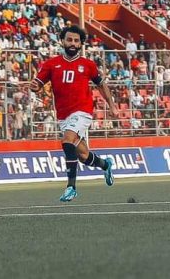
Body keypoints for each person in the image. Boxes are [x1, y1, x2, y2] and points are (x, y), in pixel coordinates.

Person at [30, 25, 119, 202]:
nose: (72, 43)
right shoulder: (51, 64)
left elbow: (101, 85)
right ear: (62, 41)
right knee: (83, 155)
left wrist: (112, 105)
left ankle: (71, 187)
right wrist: (35, 87)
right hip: (63, 115)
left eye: (76, 41)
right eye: (69, 40)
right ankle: (105, 164)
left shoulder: (88, 65)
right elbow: (38, 84)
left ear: (81, 44)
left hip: (83, 111)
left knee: (67, 140)